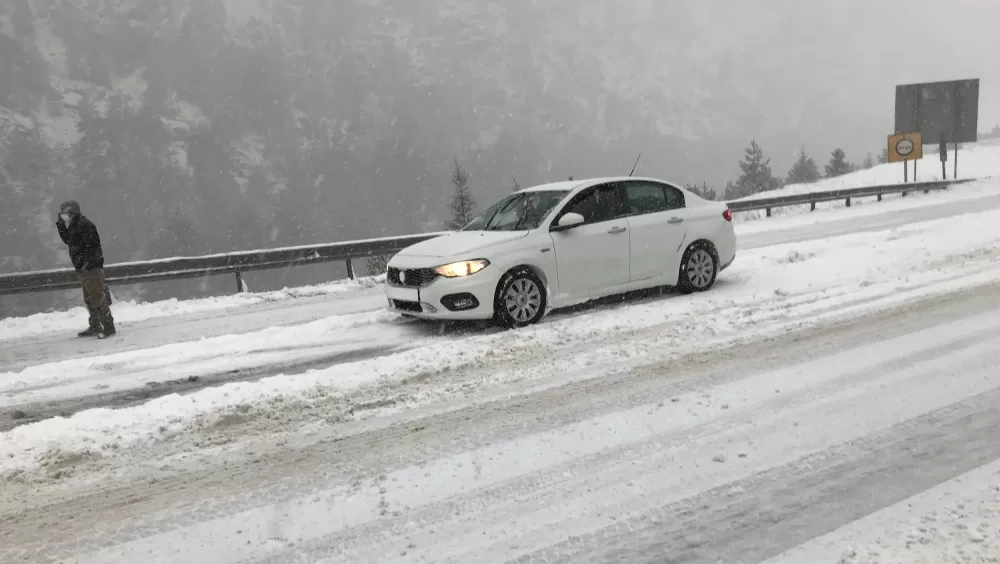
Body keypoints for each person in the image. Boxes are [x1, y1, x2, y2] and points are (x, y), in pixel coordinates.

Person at [56, 200, 117, 338]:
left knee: (97, 298)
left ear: (72, 212)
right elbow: (69, 240)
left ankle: (108, 326)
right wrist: (61, 225)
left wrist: (87, 264)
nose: (63, 216)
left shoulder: (85, 225)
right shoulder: (74, 225)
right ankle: (95, 325)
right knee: (89, 299)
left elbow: (92, 247)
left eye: (64, 213)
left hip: (91, 268)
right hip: (84, 268)